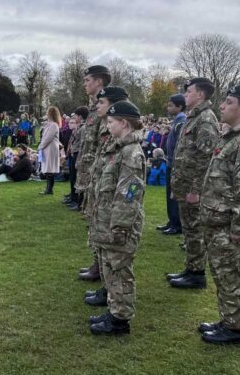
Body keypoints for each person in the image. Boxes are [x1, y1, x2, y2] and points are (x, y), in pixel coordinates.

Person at [198, 85, 240, 345]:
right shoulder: (233, 137)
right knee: (224, 276)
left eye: (228, 102)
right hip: (221, 223)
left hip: (234, 227)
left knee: (233, 277)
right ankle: (229, 320)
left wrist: (238, 230)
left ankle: (236, 330)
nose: (221, 106)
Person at [87, 100, 146, 336]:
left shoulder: (131, 154)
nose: (108, 126)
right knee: (110, 270)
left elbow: (128, 196)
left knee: (119, 272)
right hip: (108, 224)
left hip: (118, 226)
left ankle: (120, 321)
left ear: (124, 123)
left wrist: (119, 228)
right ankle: (114, 311)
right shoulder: (119, 149)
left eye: (111, 122)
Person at [167, 78, 220, 290]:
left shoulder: (206, 119)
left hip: (193, 188)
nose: (185, 95)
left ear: (200, 95)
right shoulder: (193, 117)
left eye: (188, 92)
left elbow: (206, 158)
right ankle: (190, 268)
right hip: (184, 184)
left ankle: (197, 274)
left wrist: (196, 190)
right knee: (189, 230)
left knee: (195, 230)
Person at [83, 86, 129, 304]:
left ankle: (111, 292)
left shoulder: (121, 137)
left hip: (112, 202)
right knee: (102, 244)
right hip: (102, 193)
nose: (97, 106)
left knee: (114, 254)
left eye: (102, 102)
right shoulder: (109, 129)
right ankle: (105, 285)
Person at [75, 65, 112, 282]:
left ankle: (101, 267)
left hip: (100, 174)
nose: (85, 83)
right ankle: (97, 264)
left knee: (100, 222)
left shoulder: (108, 107)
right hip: (91, 173)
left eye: (88, 79)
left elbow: (104, 145)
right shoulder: (94, 107)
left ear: (99, 82)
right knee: (93, 221)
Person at [157, 94, 186, 235]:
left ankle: (176, 224)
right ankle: (171, 221)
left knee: (174, 196)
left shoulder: (181, 121)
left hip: (175, 163)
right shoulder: (176, 121)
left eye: (171, 105)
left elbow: (180, 145)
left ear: (179, 106)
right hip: (169, 161)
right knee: (169, 194)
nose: (168, 108)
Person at [65, 107, 89, 210]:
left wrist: (79, 158)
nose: (75, 118)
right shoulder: (80, 127)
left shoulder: (83, 128)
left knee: (78, 178)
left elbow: (83, 144)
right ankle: (74, 198)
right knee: (73, 177)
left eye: (76, 116)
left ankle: (79, 202)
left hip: (78, 154)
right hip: (73, 153)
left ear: (80, 116)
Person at [38, 106, 62, 195]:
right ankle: (48, 189)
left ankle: (49, 189)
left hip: (50, 148)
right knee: (47, 169)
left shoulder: (53, 125)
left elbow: (48, 138)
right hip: (47, 148)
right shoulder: (50, 124)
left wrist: (41, 146)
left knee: (49, 168)